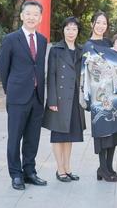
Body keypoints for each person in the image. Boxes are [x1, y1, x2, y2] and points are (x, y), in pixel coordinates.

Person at [0, 0, 48, 190]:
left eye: (36, 14)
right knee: (15, 137)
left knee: (32, 138)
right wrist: (10, 90)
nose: (32, 17)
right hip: (17, 97)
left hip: (36, 96)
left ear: (40, 18)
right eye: (28, 13)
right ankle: (16, 174)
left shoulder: (42, 40)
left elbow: (39, 67)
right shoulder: (11, 39)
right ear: (22, 16)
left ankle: (30, 172)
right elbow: (3, 68)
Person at [81, 11, 117, 182]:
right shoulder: (88, 46)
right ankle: (102, 168)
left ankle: (109, 167)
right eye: (98, 22)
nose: (101, 26)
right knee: (103, 133)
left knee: (114, 134)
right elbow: (88, 71)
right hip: (100, 97)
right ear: (92, 24)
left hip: (116, 95)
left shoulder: (109, 43)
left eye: (104, 23)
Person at [42, 17, 86, 183]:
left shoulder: (81, 50)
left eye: (74, 29)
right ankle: (59, 169)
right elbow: (51, 75)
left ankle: (68, 168)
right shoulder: (56, 49)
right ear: (63, 30)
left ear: (78, 32)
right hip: (59, 99)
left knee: (70, 136)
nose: (71, 32)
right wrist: (52, 100)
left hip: (75, 98)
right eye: (68, 28)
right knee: (58, 135)